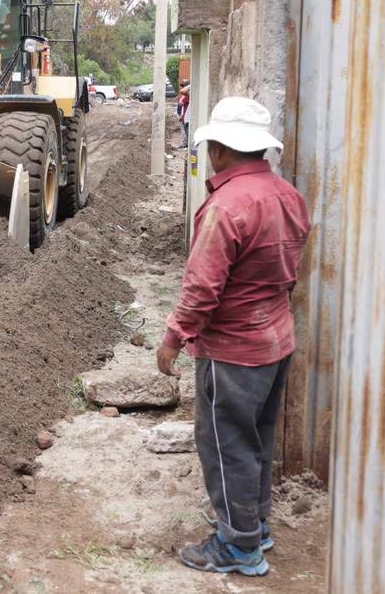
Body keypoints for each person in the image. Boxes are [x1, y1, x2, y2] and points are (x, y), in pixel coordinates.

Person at [156, 97, 310, 578]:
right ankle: (254, 524)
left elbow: (202, 287)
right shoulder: (288, 195)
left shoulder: (225, 206)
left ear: (220, 148)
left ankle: (239, 546)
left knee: (225, 445)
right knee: (255, 439)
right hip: (275, 342)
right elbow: (289, 272)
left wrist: (173, 338)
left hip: (233, 352)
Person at [178, 80, 191, 149]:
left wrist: (191, 85)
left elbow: (181, 103)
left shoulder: (190, 95)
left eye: (184, 86)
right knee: (187, 135)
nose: (183, 87)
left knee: (189, 138)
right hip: (185, 118)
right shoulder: (187, 95)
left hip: (188, 119)